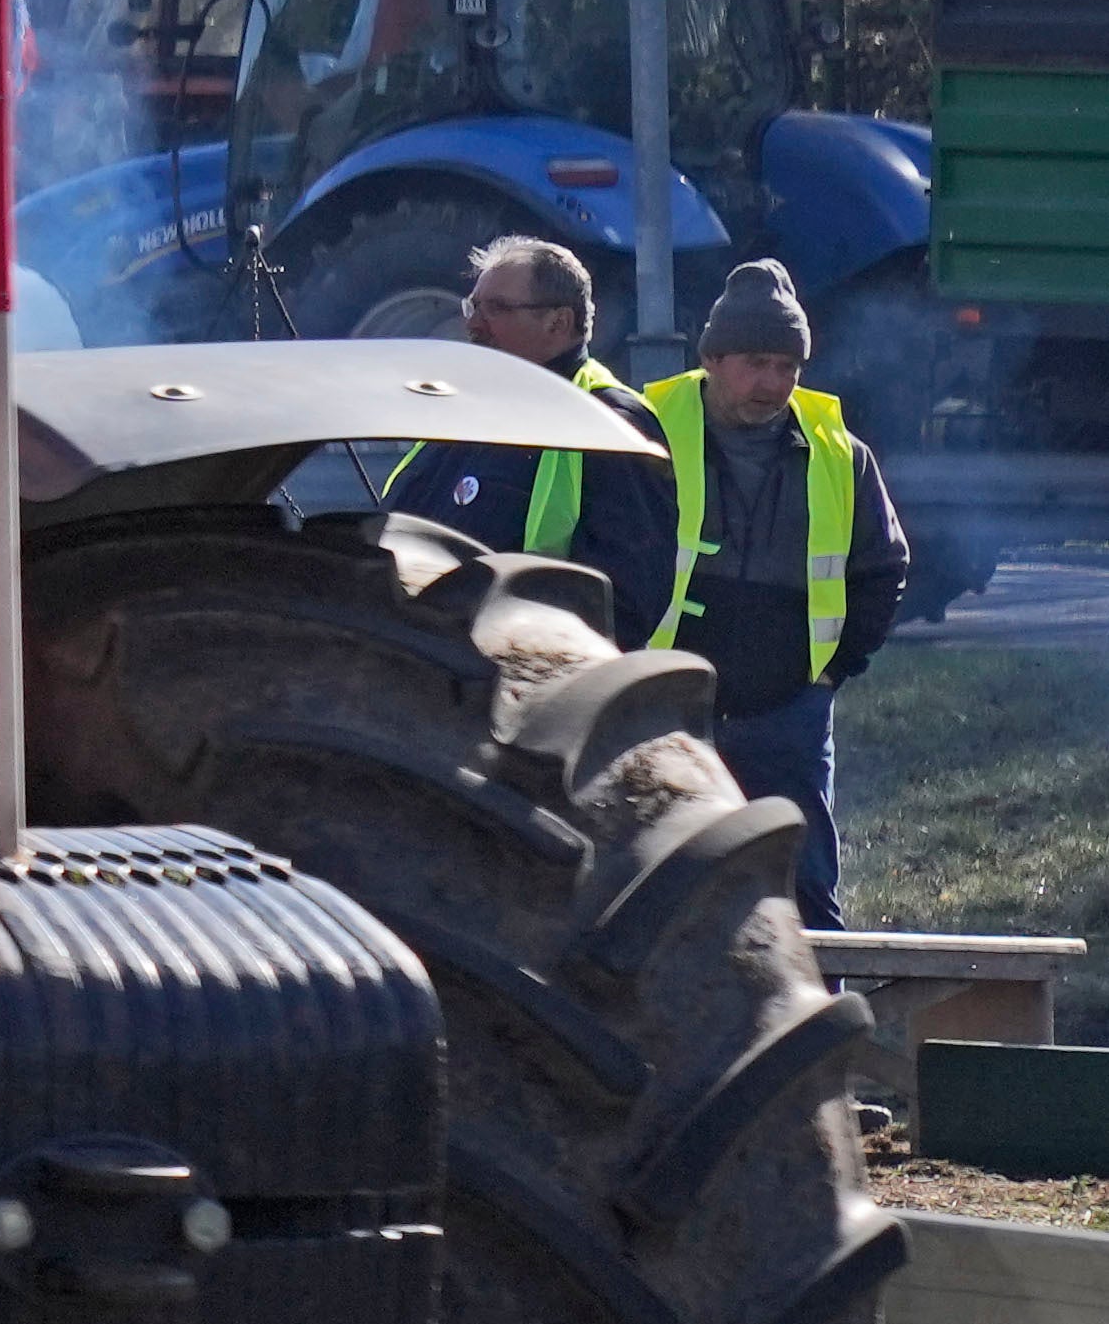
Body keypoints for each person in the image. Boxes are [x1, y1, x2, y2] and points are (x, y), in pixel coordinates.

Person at [624, 259, 913, 919]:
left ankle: (821, 1018)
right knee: (659, 890)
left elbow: (883, 568)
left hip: (788, 713)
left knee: (806, 890)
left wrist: (833, 671)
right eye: (757, 363)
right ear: (712, 358)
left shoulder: (840, 452)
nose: (773, 383)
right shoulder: (644, 430)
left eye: (788, 367)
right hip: (666, 702)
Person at [373, 230, 661, 565]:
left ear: (558, 323)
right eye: (473, 307)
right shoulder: (464, 411)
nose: (473, 325)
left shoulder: (611, 422)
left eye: (495, 309)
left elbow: (627, 592)